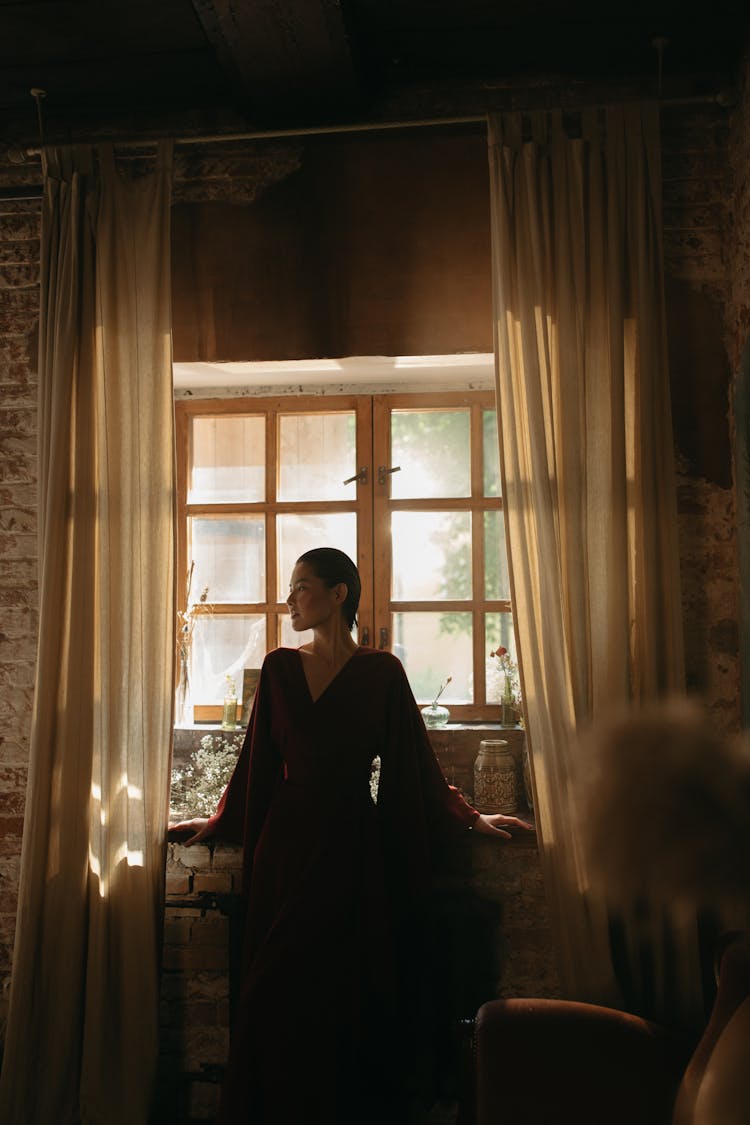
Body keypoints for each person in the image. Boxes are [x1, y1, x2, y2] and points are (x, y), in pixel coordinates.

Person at [170, 547, 532, 1124]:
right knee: (273, 991)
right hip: (285, 849)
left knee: (343, 993)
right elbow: (256, 769)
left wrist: (470, 818)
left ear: (340, 594)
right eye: (291, 588)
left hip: (350, 847)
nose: (290, 598)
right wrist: (216, 822)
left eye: (302, 586)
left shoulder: (381, 673)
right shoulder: (279, 669)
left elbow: (414, 764)